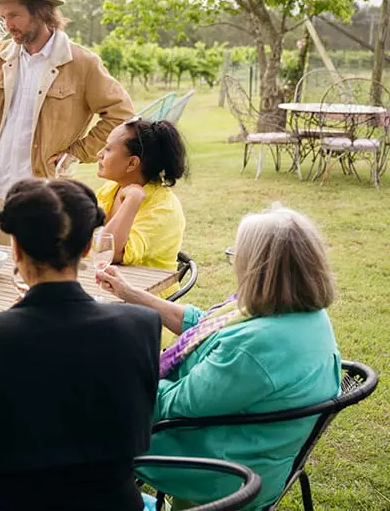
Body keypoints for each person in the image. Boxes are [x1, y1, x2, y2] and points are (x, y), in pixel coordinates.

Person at [97, 206, 341, 509]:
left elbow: (174, 405)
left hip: (223, 467)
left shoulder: (254, 348)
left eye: (235, 256)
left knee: (80, 422)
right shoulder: (298, 313)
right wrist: (131, 293)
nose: (234, 264)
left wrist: (116, 368)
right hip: (250, 445)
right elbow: (202, 325)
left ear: (260, 269)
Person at [0, 178, 161, 510]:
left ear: (14, 248)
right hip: (118, 504)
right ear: (87, 248)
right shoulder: (143, 324)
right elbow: (139, 439)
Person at [0, 0, 134, 245]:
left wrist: (76, 153)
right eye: (2, 17)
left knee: (36, 278)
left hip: (45, 193)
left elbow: (122, 115)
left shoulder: (81, 62)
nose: (8, 25)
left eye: (14, 16)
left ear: (40, 13)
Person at [95, 118, 187, 280]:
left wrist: (133, 199)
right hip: (105, 288)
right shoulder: (111, 189)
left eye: (108, 149)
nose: (99, 154)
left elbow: (109, 253)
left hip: (144, 297)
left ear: (132, 163)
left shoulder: (163, 209)